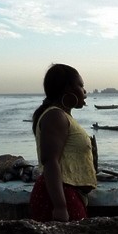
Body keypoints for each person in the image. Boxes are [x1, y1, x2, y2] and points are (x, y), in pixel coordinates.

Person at [29, 64, 97, 222]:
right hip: (59, 197)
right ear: (67, 89)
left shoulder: (63, 116)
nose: (84, 92)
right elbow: (50, 161)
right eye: (81, 86)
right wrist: (60, 206)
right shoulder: (55, 116)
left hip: (69, 194)